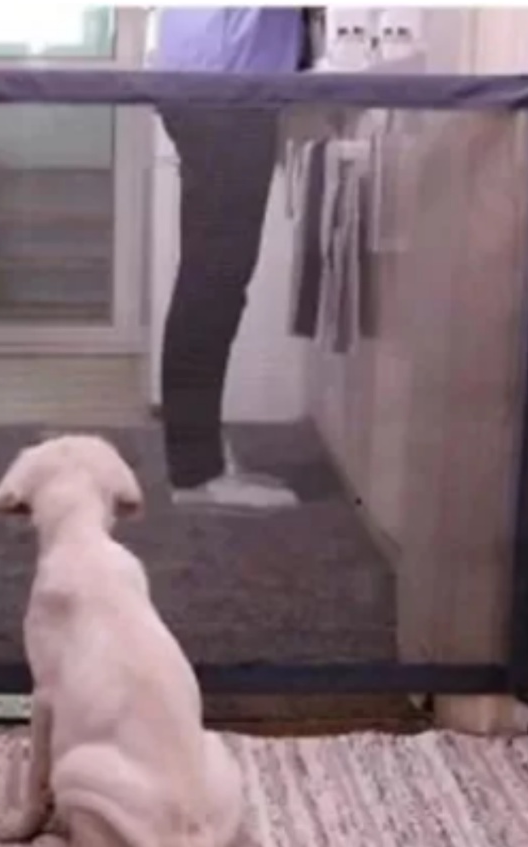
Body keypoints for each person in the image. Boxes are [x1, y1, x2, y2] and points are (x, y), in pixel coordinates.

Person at [154, 7, 315, 509]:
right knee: (213, 281)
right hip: (228, 86)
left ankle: (201, 461)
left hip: (211, 80)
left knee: (210, 278)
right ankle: (197, 472)